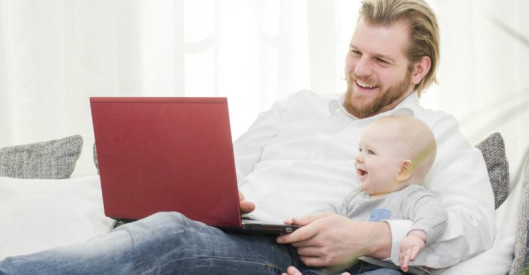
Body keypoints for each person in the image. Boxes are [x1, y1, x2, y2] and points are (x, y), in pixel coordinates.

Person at [0, 0, 495, 274]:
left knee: (168, 234)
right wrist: (210, 189)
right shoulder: (296, 107)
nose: (359, 71)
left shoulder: (431, 133)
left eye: (381, 61)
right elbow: (228, 168)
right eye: (355, 52)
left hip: (287, 251)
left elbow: (475, 223)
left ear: (418, 69)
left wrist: (372, 236)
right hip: (229, 229)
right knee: (157, 223)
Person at [284, 115, 447, 275]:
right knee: (312, 267)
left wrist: (417, 236)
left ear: (403, 170)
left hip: (385, 267)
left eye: (370, 152)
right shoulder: (357, 196)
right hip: (345, 264)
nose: (358, 157)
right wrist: (310, 221)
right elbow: (331, 210)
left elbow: (435, 214)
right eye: (360, 149)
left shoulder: (412, 196)